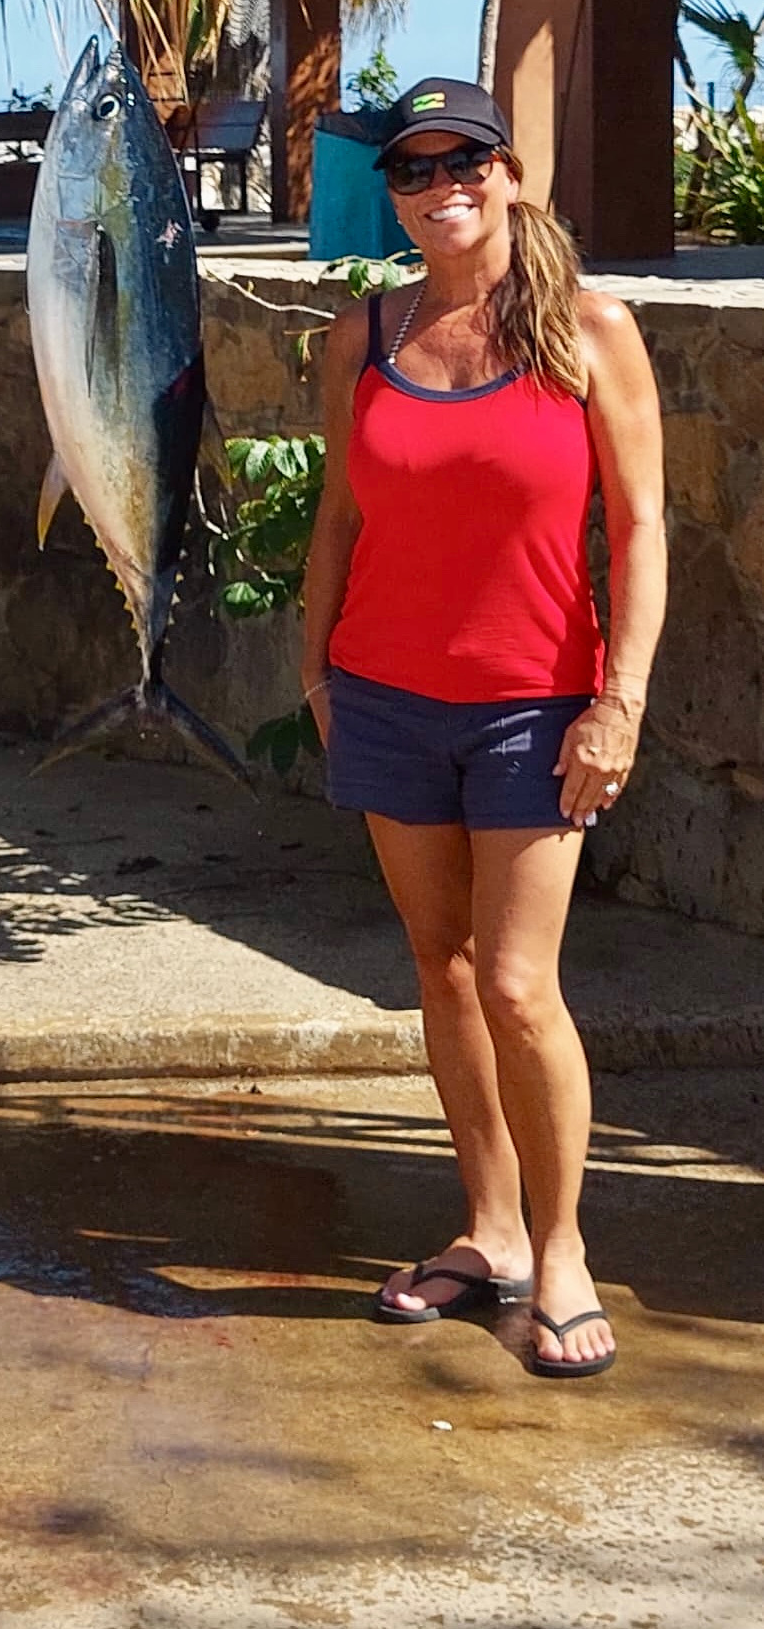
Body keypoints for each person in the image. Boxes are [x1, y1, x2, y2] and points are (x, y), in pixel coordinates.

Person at [302, 77, 665, 1380]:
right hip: (388, 695)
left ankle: (561, 1250)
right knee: (440, 968)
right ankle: (489, 1226)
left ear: (509, 174)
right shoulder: (365, 333)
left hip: (533, 706)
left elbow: (638, 529)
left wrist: (614, 700)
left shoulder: (586, 329)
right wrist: (315, 664)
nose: (440, 184)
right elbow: (338, 518)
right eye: (414, 168)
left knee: (517, 985)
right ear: (391, 195)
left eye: (465, 160)